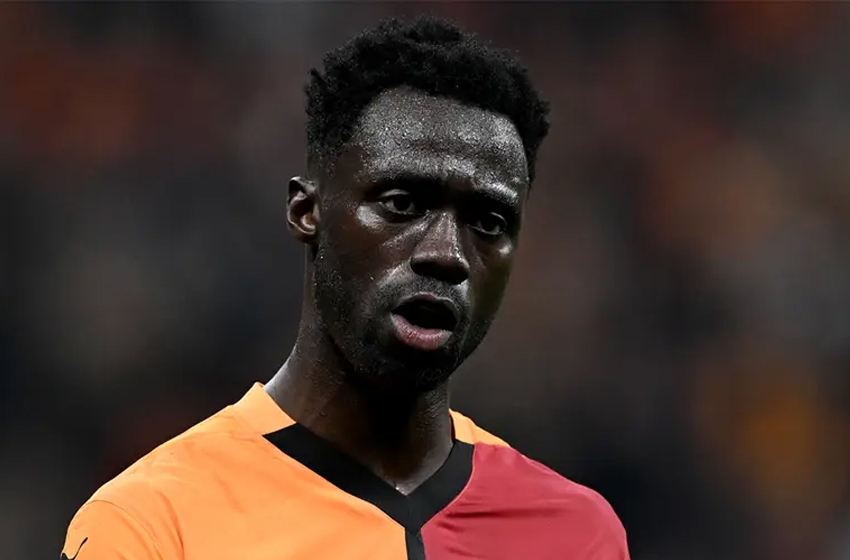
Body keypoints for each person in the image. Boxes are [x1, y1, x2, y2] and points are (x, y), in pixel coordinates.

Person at [61, 16, 629, 560]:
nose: (446, 254)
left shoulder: (576, 534)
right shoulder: (152, 526)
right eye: (402, 204)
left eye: (488, 222)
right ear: (306, 211)